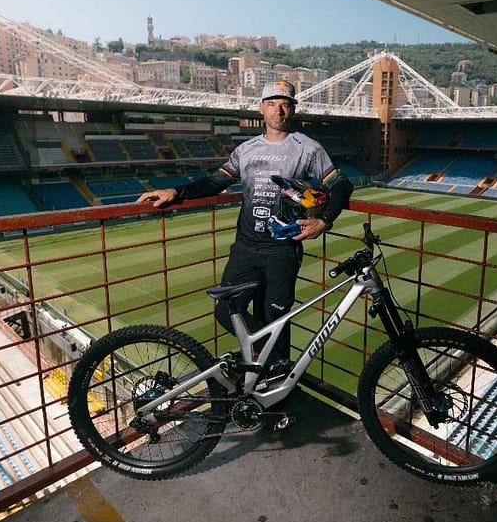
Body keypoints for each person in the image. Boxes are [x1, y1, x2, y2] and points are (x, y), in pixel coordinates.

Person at [137, 79, 353, 370]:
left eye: (285, 104)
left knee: (275, 318)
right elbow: (217, 181)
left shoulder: (308, 149)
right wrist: (176, 192)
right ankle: (273, 362)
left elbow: (340, 183)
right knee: (226, 311)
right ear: (261, 109)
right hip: (246, 248)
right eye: (272, 104)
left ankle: (273, 386)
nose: (279, 111)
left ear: (293, 110)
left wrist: (324, 222)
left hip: (283, 251)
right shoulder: (246, 150)